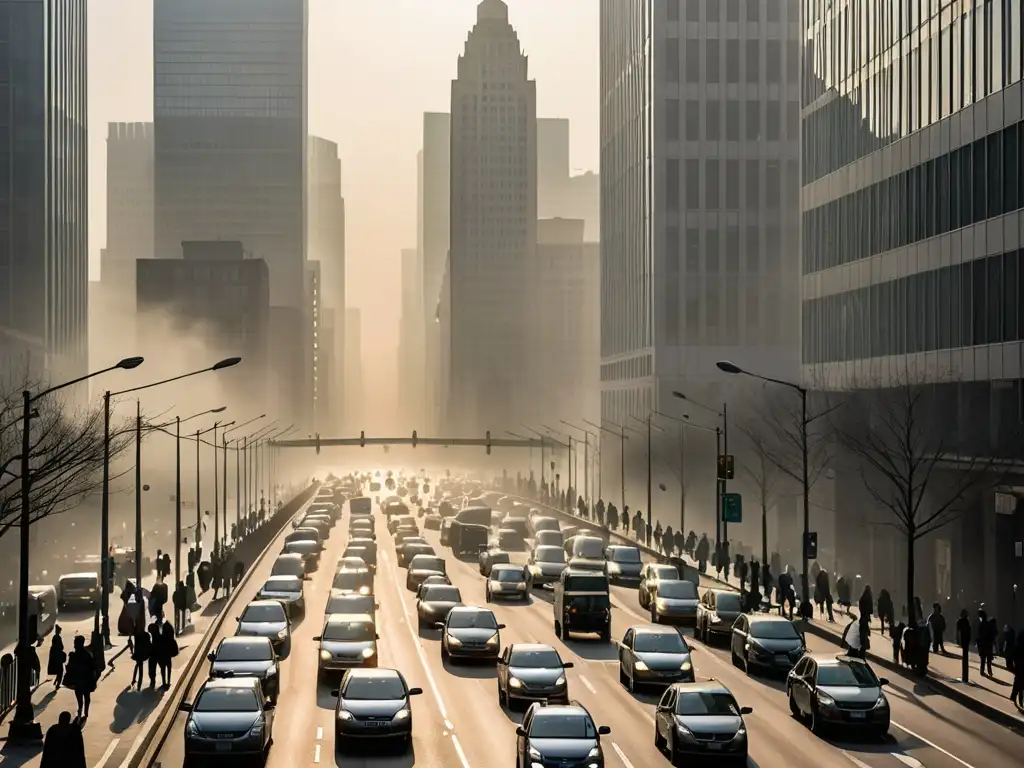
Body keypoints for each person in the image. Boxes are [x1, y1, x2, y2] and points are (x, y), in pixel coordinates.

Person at [65, 636, 95, 719]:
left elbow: (70, 668)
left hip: (78, 679)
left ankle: (80, 708)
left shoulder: (75, 655)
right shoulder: (87, 654)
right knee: (86, 696)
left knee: (79, 695)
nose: (74, 645)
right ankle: (85, 711)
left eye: (75, 643)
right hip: (86, 679)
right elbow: (92, 667)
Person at [128, 625, 151, 691]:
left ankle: (134, 680)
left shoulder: (136, 635)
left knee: (138, 665)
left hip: (138, 653)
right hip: (143, 654)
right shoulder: (146, 635)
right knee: (140, 669)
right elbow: (148, 644)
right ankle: (138, 686)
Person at [159, 621, 178, 686]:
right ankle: (168, 682)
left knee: (163, 670)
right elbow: (176, 651)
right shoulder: (171, 640)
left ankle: (164, 682)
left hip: (162, 657)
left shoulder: (161, 638)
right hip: (168, 657)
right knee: (169, 669)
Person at [977, 608, 995, 677]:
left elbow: (979, 634)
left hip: (983, 642)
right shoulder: (987, 624)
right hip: (988, 642)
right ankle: (989, 671)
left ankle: (982, 671)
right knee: (988, 658)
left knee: (983, 658)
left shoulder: (982, 624)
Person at [956, 608, 971, 683]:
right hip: (966, 640)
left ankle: (964, 677)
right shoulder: (966, 621)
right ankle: (965, 677)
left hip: (964, 640)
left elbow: (958, 632)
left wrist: (958, 641)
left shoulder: (960, 621)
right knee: (965, 657)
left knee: (964, 658)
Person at [1011, 633, 1024, 708]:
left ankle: (1014, 696)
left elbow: (1013, 656)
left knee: (1018, 682)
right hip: (1021, 666)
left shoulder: (1017, 646)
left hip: (1019, 666)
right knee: (1021, 683)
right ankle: (1020, 700)